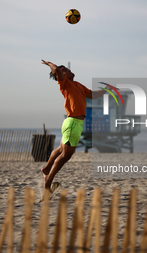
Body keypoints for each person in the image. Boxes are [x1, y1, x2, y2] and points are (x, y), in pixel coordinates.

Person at [41, 59, 114, 191]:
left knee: (60, 149)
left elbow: (92, 95)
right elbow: (57, 71)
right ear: (62, 74)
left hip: (75, 123)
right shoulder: (64, 84)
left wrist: (106, 90)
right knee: (65, 155)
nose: (69, 70)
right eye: (66, 70)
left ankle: (46, 169)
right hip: (73, 123)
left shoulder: (78, 85)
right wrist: (50, 64)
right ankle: (48, 182)